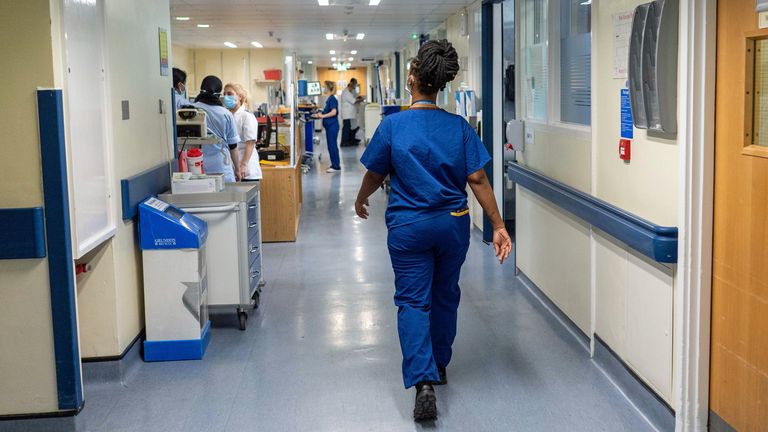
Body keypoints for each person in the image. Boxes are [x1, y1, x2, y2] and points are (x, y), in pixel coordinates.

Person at [354, 40, 513, 422]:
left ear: (412, 80)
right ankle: (439, 365)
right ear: (440, 84)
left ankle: (422, 380)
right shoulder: (458, 127)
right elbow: (476, 178)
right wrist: (498, 225)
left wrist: (361, 199)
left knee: (412, 300)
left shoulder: (393, 125)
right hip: (452, 224)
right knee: (445, 295)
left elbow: (375, 173)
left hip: (409, 227)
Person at [191, 75, 240, 183]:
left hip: (196, 165)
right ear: (218, 93)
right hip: (221, 166)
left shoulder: (191, 110)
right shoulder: (225, 114)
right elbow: (233, 146)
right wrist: (237, 169)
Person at [223, 83, 262, 182]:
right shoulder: (228, 115)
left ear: (240, 97)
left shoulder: (246, 116)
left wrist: (244, 164)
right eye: (224, 94)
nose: (226, 97)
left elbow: (250, 143)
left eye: (230, 94)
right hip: (233, 167)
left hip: (246, 167)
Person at [312, 81, 341, 173]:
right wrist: (320, 113)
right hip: (330, 126)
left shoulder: (332, 99)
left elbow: (333, 112)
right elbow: (328, 111)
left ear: (329, 88)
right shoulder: (330, 99)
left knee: (332, 146)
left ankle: (336, 166)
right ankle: (335, 164)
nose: (323, 88)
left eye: (324, 87)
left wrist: (322, 116)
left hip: (332, 126)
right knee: (331, 146)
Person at [340, 78, 363, 147]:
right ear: (350, 85)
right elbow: (354, 101)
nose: (354, 88)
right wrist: (361, 99)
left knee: (350, 128)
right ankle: (344, 142)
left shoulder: (350, 91)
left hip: (350, 114)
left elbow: (355, 97)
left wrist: (359, 98)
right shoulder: (346, 92)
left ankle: (349, 140)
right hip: (347, 114)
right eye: (353, 86)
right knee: (346, 129)